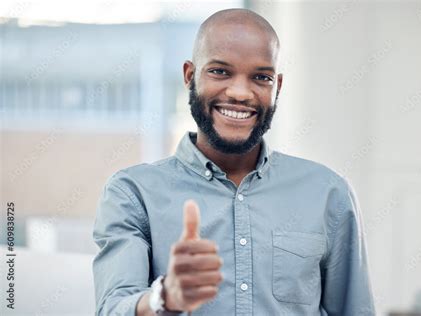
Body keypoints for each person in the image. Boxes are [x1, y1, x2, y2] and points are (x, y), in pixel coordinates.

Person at [93, 8, 375, 316]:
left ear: (277, 87)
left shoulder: (328, 193)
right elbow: (113, 307)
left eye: (261, 77)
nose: (240, 92)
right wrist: (166, 297)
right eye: (220, 71)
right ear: (190, 76)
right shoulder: (133, 193)